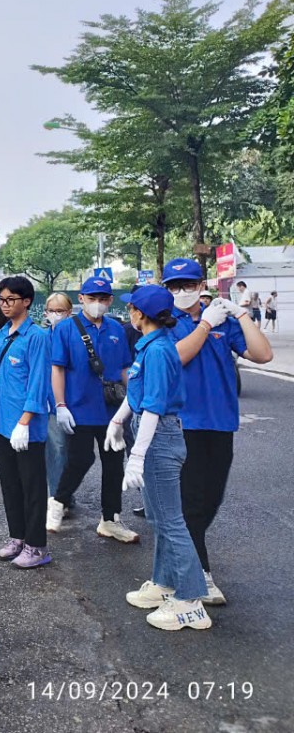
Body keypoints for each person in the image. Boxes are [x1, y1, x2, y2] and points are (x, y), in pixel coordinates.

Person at [163, 257, 272, 605]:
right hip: (182, 424)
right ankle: (199, 574)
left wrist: (240, 314)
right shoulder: (166, 322)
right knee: (191, 502)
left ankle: (177, 565)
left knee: (212, 498)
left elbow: (263, 354)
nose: (182, 292)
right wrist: (205, 326)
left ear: (201, 286)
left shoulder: (224, 319)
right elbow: (175, 357)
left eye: (189, 285)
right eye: (175, 286)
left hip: (220, 421)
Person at [106, 284, 210, 631]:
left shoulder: (160, 350)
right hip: (152, 433)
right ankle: (165, 583)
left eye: (132, 308)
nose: (129, 312)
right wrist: (118, 420)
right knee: (158, 517)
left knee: (170, 521)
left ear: (140, 314)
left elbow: (154, 405)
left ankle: (190, 600)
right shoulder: (150, 346)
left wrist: (137, 455)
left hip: (159, 436)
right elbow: (139, 392)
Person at [47, 277, 137, 542]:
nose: (98, 303)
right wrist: (60, 404)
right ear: (82, 298)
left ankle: (110, 519)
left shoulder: (116, 329)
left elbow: (123, 368)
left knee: (113, 464)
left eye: (103, 298)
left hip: (111, 410)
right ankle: (58, 502)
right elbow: (57, 369)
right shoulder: (65, 329)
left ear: (109, 300)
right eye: (92, 297)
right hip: (78, 407)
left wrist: (133, 399)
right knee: (80, 458)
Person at [0, 275, 52, 569]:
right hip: (1, 421)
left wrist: (25, 420)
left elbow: (38, 382)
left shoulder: (38, 337)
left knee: (32, 486)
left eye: (10, 300)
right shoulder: (3, 334)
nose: (4, 305)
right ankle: (17, 537)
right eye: (1, 300)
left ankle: (37, 545)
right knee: (9, 484)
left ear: (26, 301)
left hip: (25, 427)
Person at [40, 292, 72, 499]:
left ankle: (66, 492)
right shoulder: (43, 336)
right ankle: (59, 497)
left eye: (60, 311)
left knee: (74, 453)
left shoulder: (75, 334)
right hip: (51, 402)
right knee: (57, 449)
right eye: (52, 311)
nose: (56, 315)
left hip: (76, 399)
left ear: (69, 312)